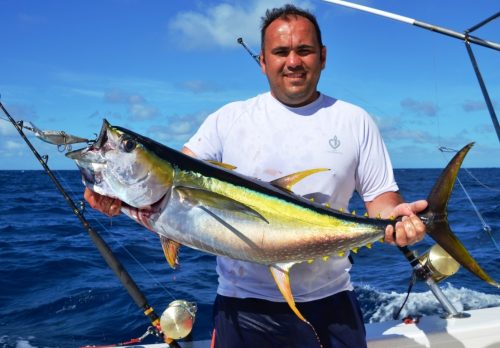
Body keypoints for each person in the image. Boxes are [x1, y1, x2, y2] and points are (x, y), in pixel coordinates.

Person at [85, 4, 427, 348]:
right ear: (263, 61)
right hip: (241, 310)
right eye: (280, 52)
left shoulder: (354, 121)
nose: (293, 61)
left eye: (304, 50)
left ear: (323, 57)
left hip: (333, 305)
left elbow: (382, 201)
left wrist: (397, 221)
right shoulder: (228, 119)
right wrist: (116, 196)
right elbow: (175, 174)